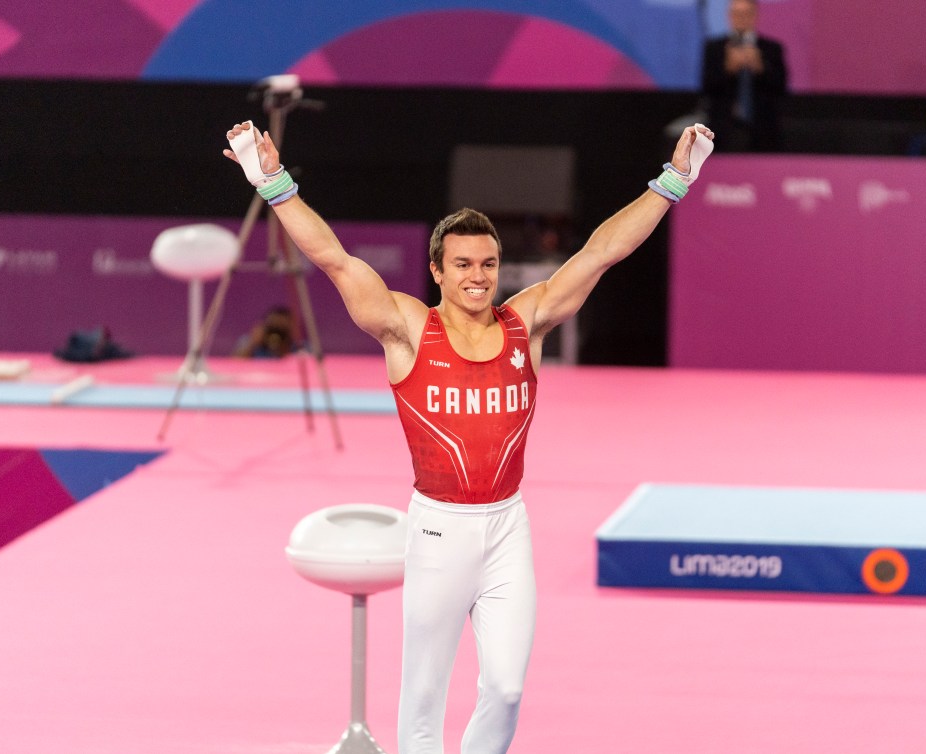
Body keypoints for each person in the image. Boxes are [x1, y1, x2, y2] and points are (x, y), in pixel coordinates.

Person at [224, 119, 714, 754]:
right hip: (438, 529)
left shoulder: (527, 321)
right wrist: (273, 183)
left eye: (487, 263)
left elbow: (600, 252)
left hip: (508, 527)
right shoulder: (406, 328)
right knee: (423, 697)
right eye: (462, 265)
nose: (477, 276)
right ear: (437, 270)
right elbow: (333, 259)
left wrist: (675, 181)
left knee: (507, 688)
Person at [701, 0, 787, 152]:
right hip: (722, 127)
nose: (741, 18)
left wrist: (760, 68)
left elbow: (781, 86)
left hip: (763, 128)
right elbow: (707, 86)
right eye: (736, 13)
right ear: (729, 16)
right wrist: (728, 69)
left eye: (746, 13)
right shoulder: (715, 48)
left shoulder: (771, 49)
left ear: (755, 15)